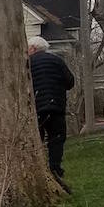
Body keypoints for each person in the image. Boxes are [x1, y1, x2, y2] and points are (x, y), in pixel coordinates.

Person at [27, 36, 75, 183]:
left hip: (37, 107)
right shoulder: (57, 61)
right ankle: (55, 168)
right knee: (57, 138)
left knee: (36, 139)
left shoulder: (28, 63)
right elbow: (70, 82)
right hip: (56, 107)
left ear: (33, 48)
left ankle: (36, 169)